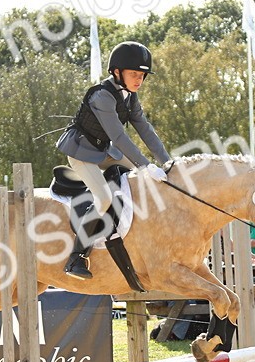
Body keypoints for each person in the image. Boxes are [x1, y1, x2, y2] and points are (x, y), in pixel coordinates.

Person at [56, 40, 172, 280]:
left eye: (142, 75)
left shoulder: (130, 96)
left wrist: (167, 161)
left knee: (145, 184)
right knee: (105, 197)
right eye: (134, 74)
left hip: (105, 152)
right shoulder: (102, 97)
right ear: (117, 72)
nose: (139, 79)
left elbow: (145, 129)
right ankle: (77, 256)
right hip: (81, 152)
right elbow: (119, 136)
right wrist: (145, 165)